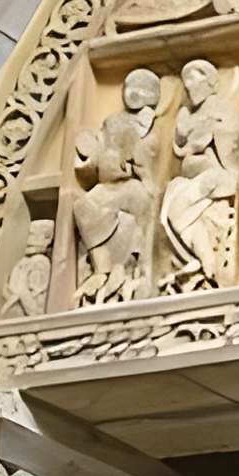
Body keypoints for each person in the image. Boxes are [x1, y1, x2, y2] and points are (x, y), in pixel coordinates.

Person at [72, 68, 161, 301]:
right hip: (107, 187)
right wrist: (90, 158)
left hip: (132, 187)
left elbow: (144, 156)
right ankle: (101, 268)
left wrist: (146, 179)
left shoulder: (147, 123)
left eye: (142, 88)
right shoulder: (111, 122)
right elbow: (99, 149)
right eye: (130, 87)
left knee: (132, 216)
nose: (134, 93)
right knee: (83, 205)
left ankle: (127, 271)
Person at [159, 58, 239, 290]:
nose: (190, 88)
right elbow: (180, 146)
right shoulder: (186, 113)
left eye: (195, 82)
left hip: (218, 176)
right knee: (171, 210)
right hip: (191, 179)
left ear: (210, 83)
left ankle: (208, 262)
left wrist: (206, 133)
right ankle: (201, 258)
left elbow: (232, 133)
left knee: (180, 209)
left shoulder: (221, 107)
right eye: (187, 84)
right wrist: (194, 134)